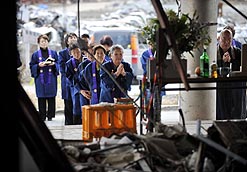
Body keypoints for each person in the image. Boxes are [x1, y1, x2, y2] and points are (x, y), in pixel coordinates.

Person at [216, 29, 246, 120]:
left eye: (229, 39)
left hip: (235, 86)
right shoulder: (214, 52)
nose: (226, 42)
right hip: (219, 86)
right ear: (219, 39)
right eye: (224, 39)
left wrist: (231, 61)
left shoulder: (238, 52)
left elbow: (242, 68)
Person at [29, 34, 59, 121]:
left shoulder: (53, 53)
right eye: (42, 41)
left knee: (51, 96)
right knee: (41, 97)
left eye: (45, 41)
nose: (44, 43)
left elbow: (58, 63)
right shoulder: (35, 55)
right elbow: (32, 65)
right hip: (40, 78)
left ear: (48, 42)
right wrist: (38, 65)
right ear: (39, 43)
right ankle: (42, 115)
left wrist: (54, 65)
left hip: (51, 77)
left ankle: (50, 115)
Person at [58, 32, 77, 125]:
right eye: (71, 37)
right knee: (68, 104)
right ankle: (69, 123)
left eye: (74, 37)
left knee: (77, 103)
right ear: (67, 41)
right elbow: (62, 69)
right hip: (67, 82)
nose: (73, 39)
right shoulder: (62, 53)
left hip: (78, 82)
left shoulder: (80, 51)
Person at [65, 42, 83, 124]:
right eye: (74, 53)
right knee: (76, 105)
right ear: (71, 53)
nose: (77, 54)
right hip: (75, 87)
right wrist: (78, 88)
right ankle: (77, 123)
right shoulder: (69, 64)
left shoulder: (86, 60)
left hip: (86, 87)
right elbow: (69, 77)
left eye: (78, 52)